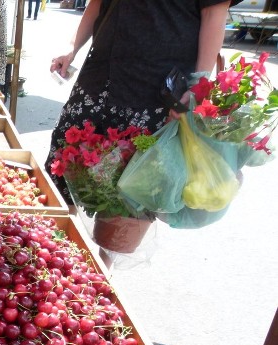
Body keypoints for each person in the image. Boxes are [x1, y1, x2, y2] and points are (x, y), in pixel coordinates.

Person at [46, 0, 235, 199]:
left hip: (153, 89)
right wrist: (72, 48)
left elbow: (214, 12)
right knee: (63, 175)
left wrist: (198, 83)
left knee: (130, 194)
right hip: (98, 78)